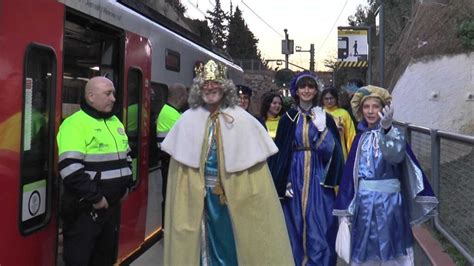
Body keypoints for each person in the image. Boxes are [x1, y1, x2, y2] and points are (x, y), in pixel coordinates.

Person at [161, 60, 294, 265]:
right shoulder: (187, 120)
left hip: (235, 198)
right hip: (198, 198)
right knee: (196, 245)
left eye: (216, 84)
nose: (211, 88)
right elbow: (180, 174)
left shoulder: (242, 120)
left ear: (225, 88)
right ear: (198, 88)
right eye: (206, 84)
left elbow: (256, 177)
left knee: (233, 243)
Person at [333, 85, 438, 265]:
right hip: (364, 204)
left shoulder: (394, 134)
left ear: (383, 109)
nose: (371, 111)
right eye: (366, 107)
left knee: (395, 251)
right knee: (365, 251)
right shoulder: (360, 139)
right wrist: (346, 210)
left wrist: (387, 131)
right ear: (361, 110)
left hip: (391, 203)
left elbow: (395, 155)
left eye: (376, 106)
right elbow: (351, 175)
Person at [268, 72, 345, 266]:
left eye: (311, 87)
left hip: (318, 178)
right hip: (293, 177)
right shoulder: (287, 119)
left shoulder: (325, 118)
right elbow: (281, 153)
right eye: (303, 87)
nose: (307, 90)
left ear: (316, 90)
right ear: (296, 90)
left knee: (321, 226)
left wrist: (323, 130)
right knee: (293, 225)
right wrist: (282, 179)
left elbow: (332, 153)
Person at [57, 76, 133, 266]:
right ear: (91, 96)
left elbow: (128, 156)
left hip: (110, 209)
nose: (113, 98)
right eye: (108, 94)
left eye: (113, 93)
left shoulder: (115, 122)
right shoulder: (74, 124)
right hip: (85, 211)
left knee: (104, 259)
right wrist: (97, 199)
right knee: (80, 259)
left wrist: (126, 187)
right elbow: (70, 168)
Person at [156, 82, 187, 226]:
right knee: (170, 197)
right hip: (170, 164)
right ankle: (167, 228)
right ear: (181, 97)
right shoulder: (171, 115)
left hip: (171, 163)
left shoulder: (172, 112)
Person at [321, 87, 356, 160]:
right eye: (326, 99)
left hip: (340, 153)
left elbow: (351, 136)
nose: (329, 101)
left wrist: (352, 155)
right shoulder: (318, 113)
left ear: (336, 99)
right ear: (322, 100)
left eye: (331, 98)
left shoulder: (344, 114)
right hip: (322, 154)